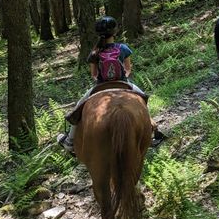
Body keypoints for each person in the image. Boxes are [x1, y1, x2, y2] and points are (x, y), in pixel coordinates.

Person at [57, 16, 152, 153]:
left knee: (79, 108)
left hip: (100, 86)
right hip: (123, 83)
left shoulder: (95, 53)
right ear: (115, 32)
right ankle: (152, 129)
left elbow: (94, 74)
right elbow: (128, 69)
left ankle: (70, 141)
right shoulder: (123, 48)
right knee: (143, 98)